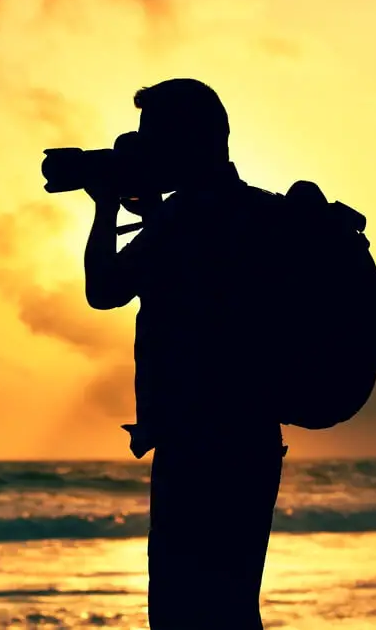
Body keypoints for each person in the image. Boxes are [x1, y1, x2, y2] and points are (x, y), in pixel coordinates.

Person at [83, 78, 287, 629]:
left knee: (181, 613)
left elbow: (104, 289)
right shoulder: (255, 214)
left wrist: (105, 206)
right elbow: (209, 300)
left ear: (189, 142)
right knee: (231, 607)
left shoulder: (189, 219)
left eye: (155, 139)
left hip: (198, 446)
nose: (145, 151)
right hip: (251, 440)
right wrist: (151, 215)